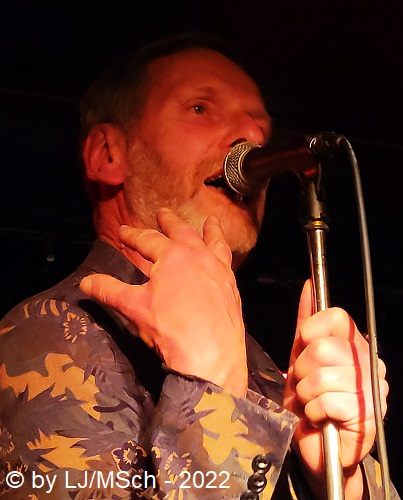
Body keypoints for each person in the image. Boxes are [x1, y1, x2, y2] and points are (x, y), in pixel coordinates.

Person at [0, 33, 398, 499]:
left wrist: (341, 480)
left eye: (261, 130)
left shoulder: (269, 371)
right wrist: (213, 386)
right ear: (107, 154)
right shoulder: (40, 335)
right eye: (200, 108)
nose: (251, 139)